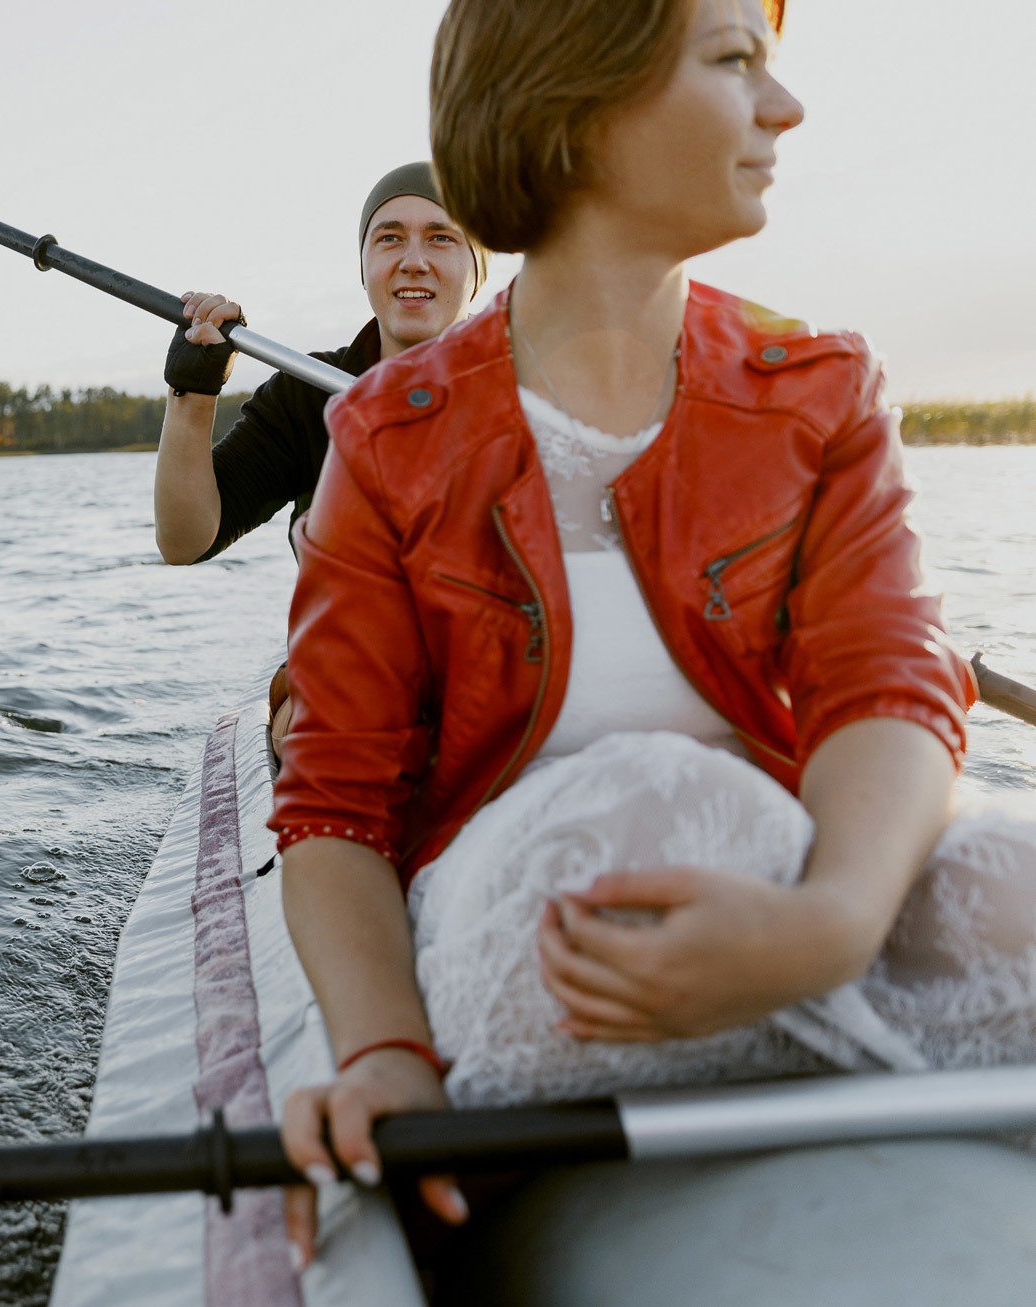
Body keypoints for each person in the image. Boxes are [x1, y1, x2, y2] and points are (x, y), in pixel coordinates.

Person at [269, 0, 1036, 1273]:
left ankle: (815, 1012)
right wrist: (383, 1049)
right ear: (578, 107)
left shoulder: (822, 385)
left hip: (790, 894)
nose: (781, 109)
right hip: (541, 944)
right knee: (641, 814)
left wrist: (829, 920)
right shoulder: (383, 434)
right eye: (735, 64)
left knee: (1006, 881)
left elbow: (888, 693)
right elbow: (335, 808)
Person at [151, 164, 486, 750]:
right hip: (345, 689)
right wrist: (193, 391)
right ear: (364, 269)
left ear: (476, 272)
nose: (413, 259)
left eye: (441, 237)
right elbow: (184, 540)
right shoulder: (310, 393)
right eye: (388, 238)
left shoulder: (531, 394)